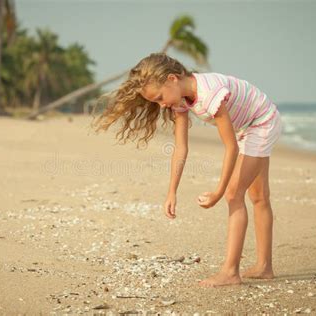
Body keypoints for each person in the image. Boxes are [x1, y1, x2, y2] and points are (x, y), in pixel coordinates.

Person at [90, 52, 283, 287]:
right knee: (258, 196)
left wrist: (218, 192)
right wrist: (172, 191)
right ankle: (265, 267)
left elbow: (230, 147)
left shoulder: (210, 93)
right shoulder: (180, 99)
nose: (161, 105)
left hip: (262, 121)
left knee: (234, 194)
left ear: (172, 79)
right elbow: (180, 148)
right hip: (247, 125)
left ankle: (231, 272)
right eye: (156, 102)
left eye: (160, 97)